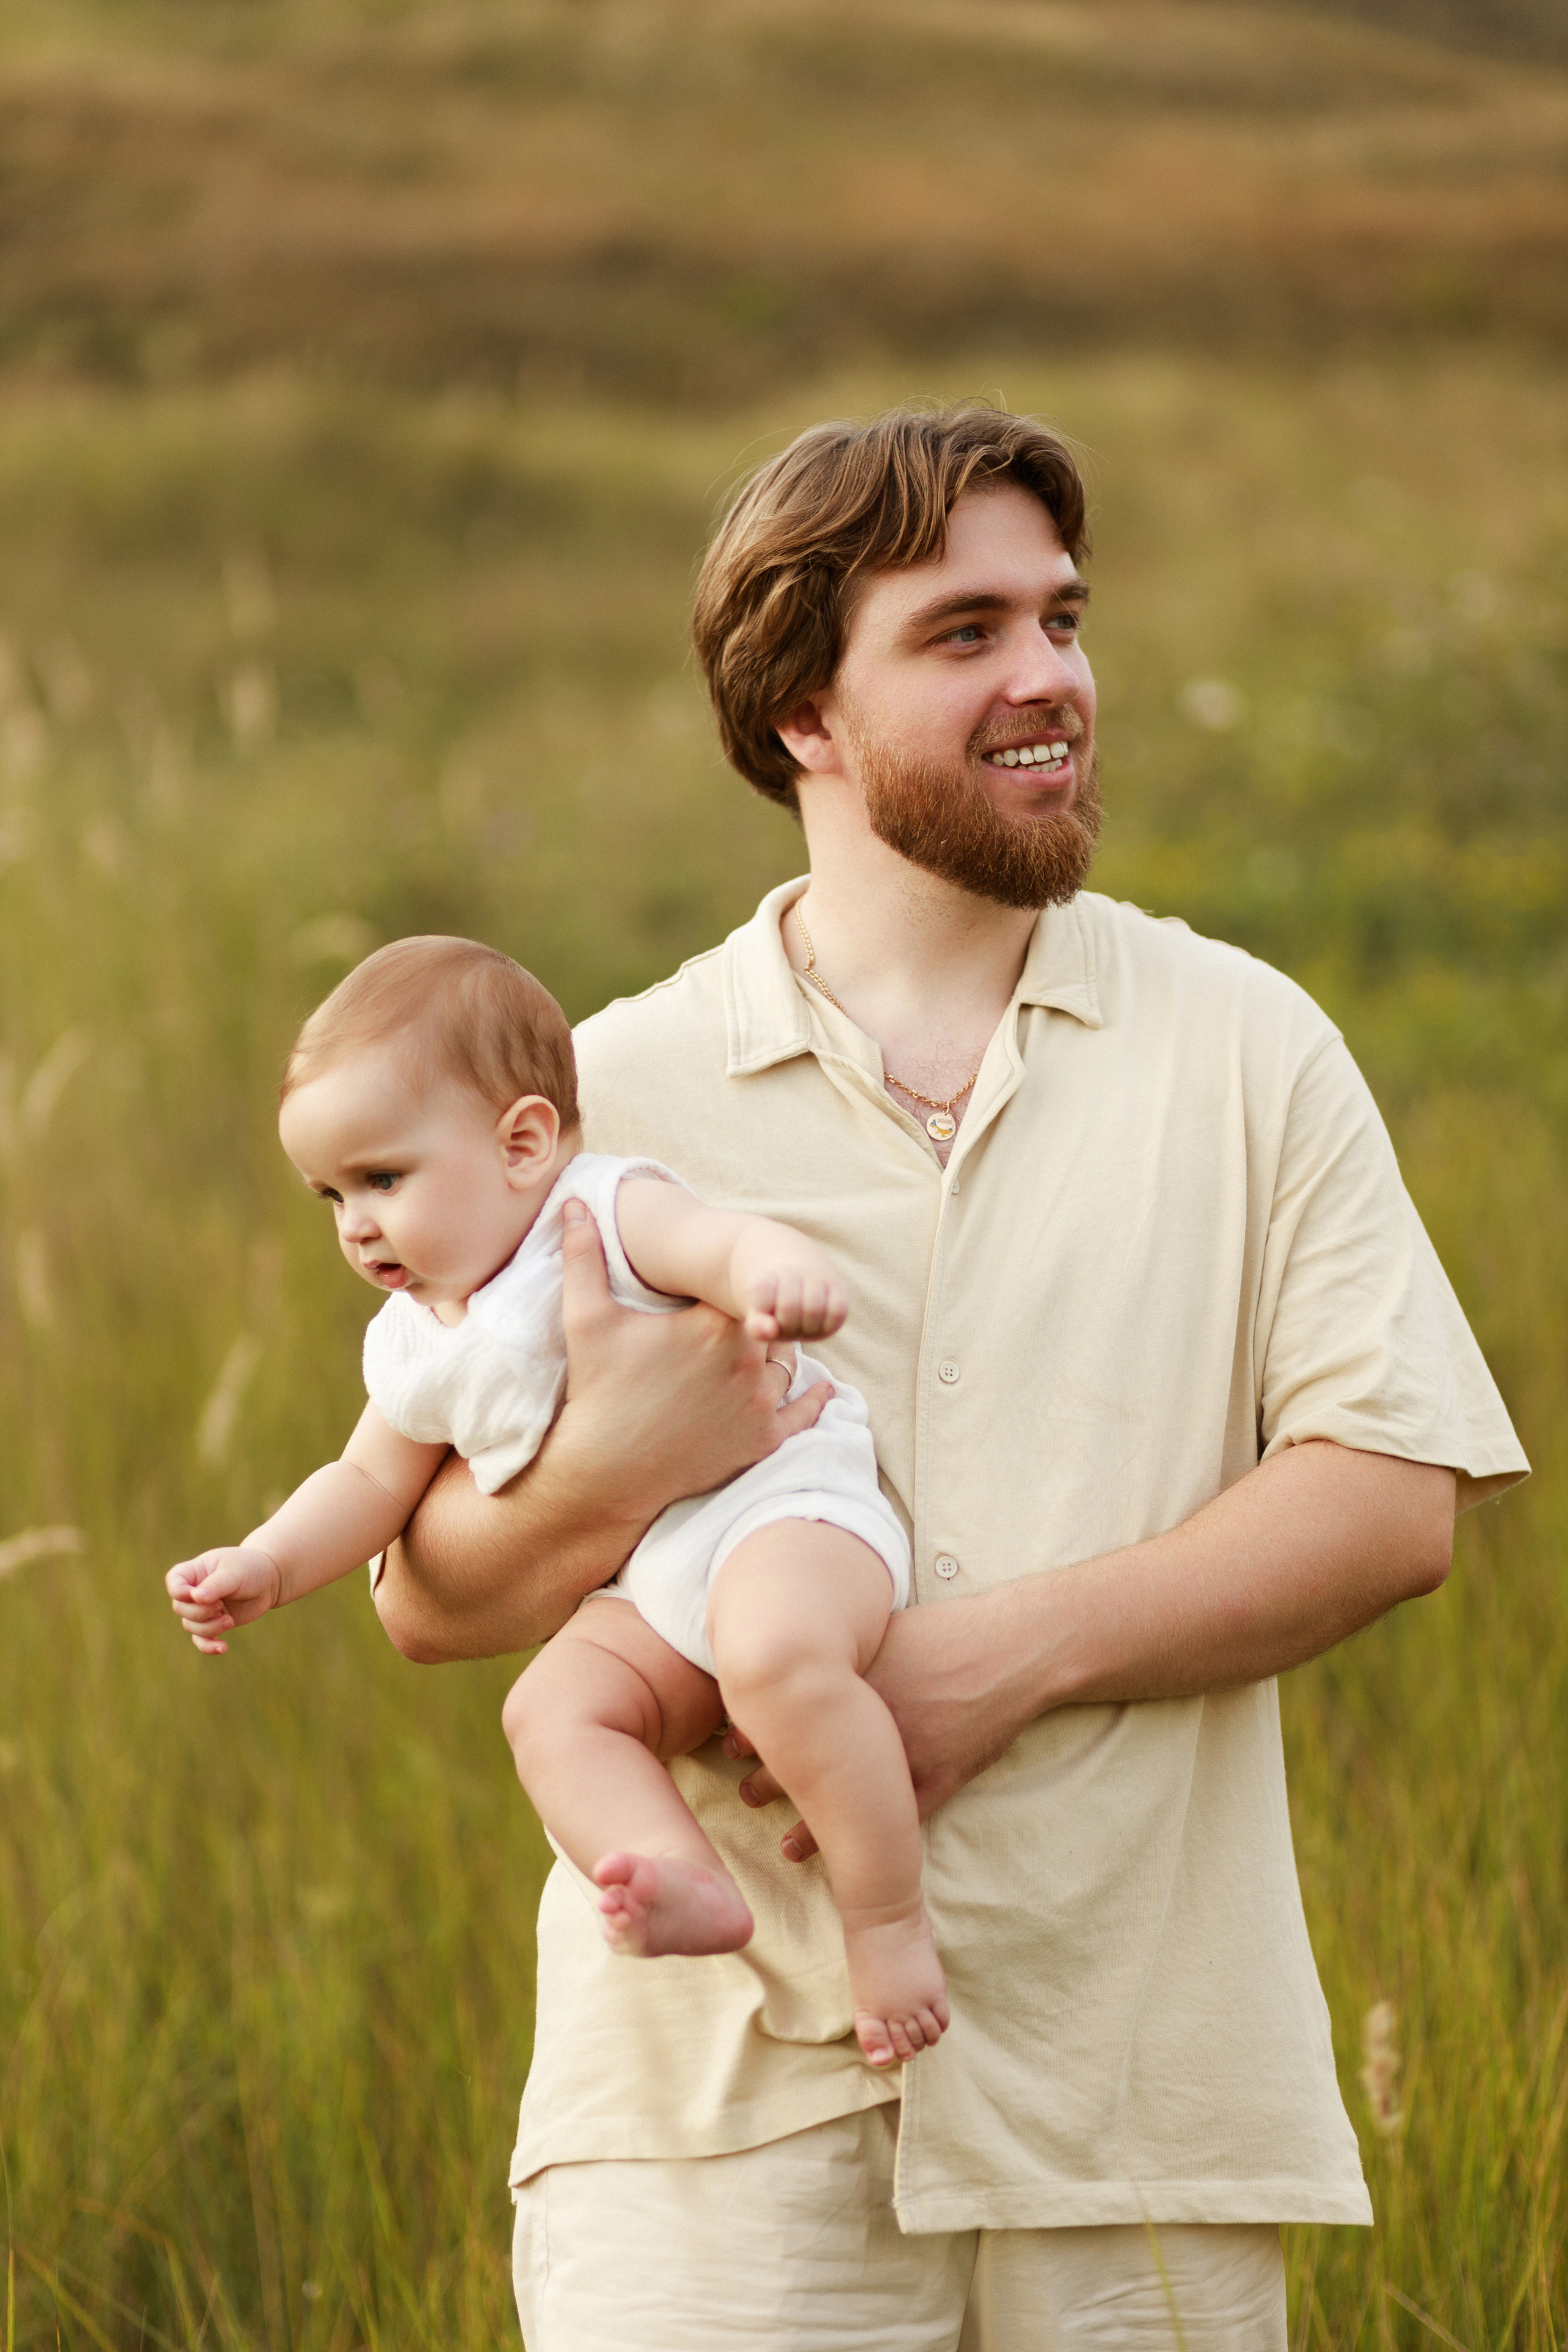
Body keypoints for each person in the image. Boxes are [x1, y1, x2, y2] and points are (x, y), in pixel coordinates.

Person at [373, 406, 1528, 2351]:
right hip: (711, 2129)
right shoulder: (603, 1101)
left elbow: (1388, 1499)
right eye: (967, 633)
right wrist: (613, 1467)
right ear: (804, 711)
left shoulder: (1248, 1047)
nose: (1052, 678)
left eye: (1064, 622)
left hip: (1137, 2102)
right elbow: (425, 1597)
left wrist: (993, 1660)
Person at [164, 935, 949, 2066]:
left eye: (383, 1179)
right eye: (330, 1195)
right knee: (550, 1715)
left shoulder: (597, 1212)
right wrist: (269, 1564)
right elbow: (368, 1482)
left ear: (525, 1143)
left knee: (776, 1656)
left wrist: (768, 1277)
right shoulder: (416, 1340)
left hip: (786, 1499)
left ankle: (885, 1924)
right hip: (648, 1567)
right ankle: (682, 1882)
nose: (356, 1224)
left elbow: (714, 1243)